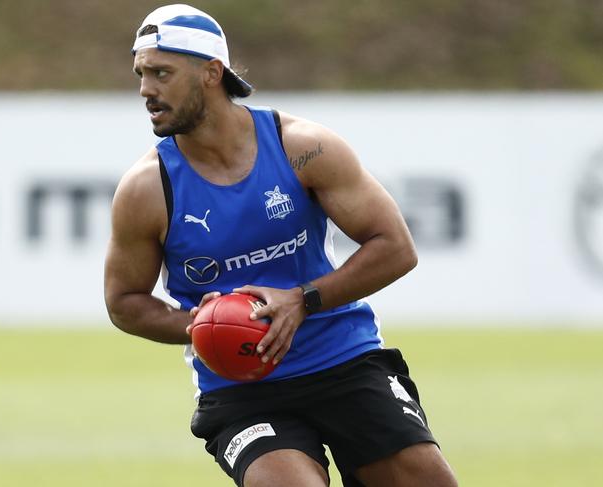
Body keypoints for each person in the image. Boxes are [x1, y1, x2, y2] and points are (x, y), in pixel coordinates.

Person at [104, 4, 458, 487]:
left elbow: (396, 246)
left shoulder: (302, 148)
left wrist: (302, 300)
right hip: (242, 389)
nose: (146, 90)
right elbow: (124, 301)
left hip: (344, 361)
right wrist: (200, 325)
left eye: (162, 73)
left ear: (212, 73)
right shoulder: (147, 188)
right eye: (141, 74)